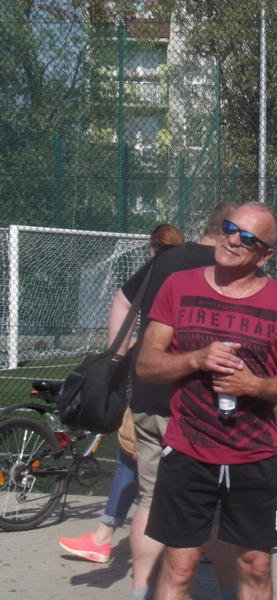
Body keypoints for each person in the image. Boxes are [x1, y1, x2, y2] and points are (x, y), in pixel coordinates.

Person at [137, 202, 277, 600]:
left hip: (255, 455)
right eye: (230, 229)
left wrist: (253, 385)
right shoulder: (178, 286)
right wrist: (195, 359)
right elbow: (146, 364)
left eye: (247, 238)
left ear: (265, 255)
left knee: (256, 567)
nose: (232, 240)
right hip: (187, 450)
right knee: (179, 568)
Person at [112, 205, 240, 600]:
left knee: (150, 500)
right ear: (230, 232)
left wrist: (119, 357)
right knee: (213, 506)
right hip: (193, 404)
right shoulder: (230, 269)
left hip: (147, 392)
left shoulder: (165, 258)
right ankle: (229, 592)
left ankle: (141, 591)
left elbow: (122, 300)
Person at [57, 223, 185, 564]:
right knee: (170, 460)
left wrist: (117, 353)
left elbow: (123, 300)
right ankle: (193, 538)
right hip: (188, 379)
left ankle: (109, 539)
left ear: (153, 247)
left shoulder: (158, 267)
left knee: (132, 453)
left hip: (154, 379)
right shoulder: (199, 269)